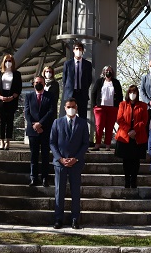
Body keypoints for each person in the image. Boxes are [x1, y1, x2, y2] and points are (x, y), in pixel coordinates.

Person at [49, 98, 90, 229]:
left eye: (73, 106)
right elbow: (52, 142)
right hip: (60, 163)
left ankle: (75, 219)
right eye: (68, 106)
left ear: (76, 107)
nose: (71, 108)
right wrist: (60, 158)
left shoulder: (83, 123)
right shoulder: (57, 122)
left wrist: (76, 158)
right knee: (59, 192)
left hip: (76, 163)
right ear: (65, 108)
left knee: (75, 192)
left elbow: (85, 143)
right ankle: (58, 219)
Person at [25, 76, 56, 187]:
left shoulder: (50, 96)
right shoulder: (29, 96)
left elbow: (51, 111)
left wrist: (40, 124)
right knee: (34, 156)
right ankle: (33, 178)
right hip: (33, 131)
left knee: (45, 155)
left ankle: (45, 178)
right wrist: (34, 125)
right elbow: (27, 112)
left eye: (41, 82)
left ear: (44, 83)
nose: (38, 84)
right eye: (36, 82)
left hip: (45, 130)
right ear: (33, 83)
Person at [115, 85, 149, 188]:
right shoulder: (122, 104)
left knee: (135, 160)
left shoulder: (143, 105)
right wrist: (129, 130)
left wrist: (135, 130)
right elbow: (120, 119)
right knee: (126, 160)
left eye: (134, 92)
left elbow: (144, 120)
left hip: (138, 136)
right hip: (125, 136)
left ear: (137, 94)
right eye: (130, 92)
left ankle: (134, 180)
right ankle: (127, 180)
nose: (132, 94)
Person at [0, 54, 22, 150]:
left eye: (10, 61)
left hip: (11, 100)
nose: (8, 63)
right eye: (6, 61)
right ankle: (1, 141)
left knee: (10, 121)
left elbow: (18, 89)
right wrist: (0, 97)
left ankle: (8, 142)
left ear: (12, 62)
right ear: (3, 62)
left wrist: (12, 97)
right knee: (2, 121)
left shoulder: (17, 74)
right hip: (1, 99)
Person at [91, 65, 122, 151]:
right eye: (106, 70)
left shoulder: (116, 82)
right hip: (100, 108)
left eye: (110, 70)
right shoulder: (99, 81)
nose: (108, 72)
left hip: (112, 108)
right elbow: (93, 93)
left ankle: (107, 145)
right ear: (103, 72)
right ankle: (97, 144)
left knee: (110, 126)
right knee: (99, 126)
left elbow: (120, 96)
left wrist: (118, 107)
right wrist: (95, 105)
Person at [62, 42, 93, 119]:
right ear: (73, 50)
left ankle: (82, 130)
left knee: (83, 116)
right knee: (69, 115)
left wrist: (84, 88)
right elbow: (64, 79)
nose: (78, 50)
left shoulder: (87, 64)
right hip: (71, 94)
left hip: (82, 94)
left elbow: (89, 79)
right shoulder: (68, 64)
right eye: (76, 49)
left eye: (80, 49)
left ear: (82, 51)